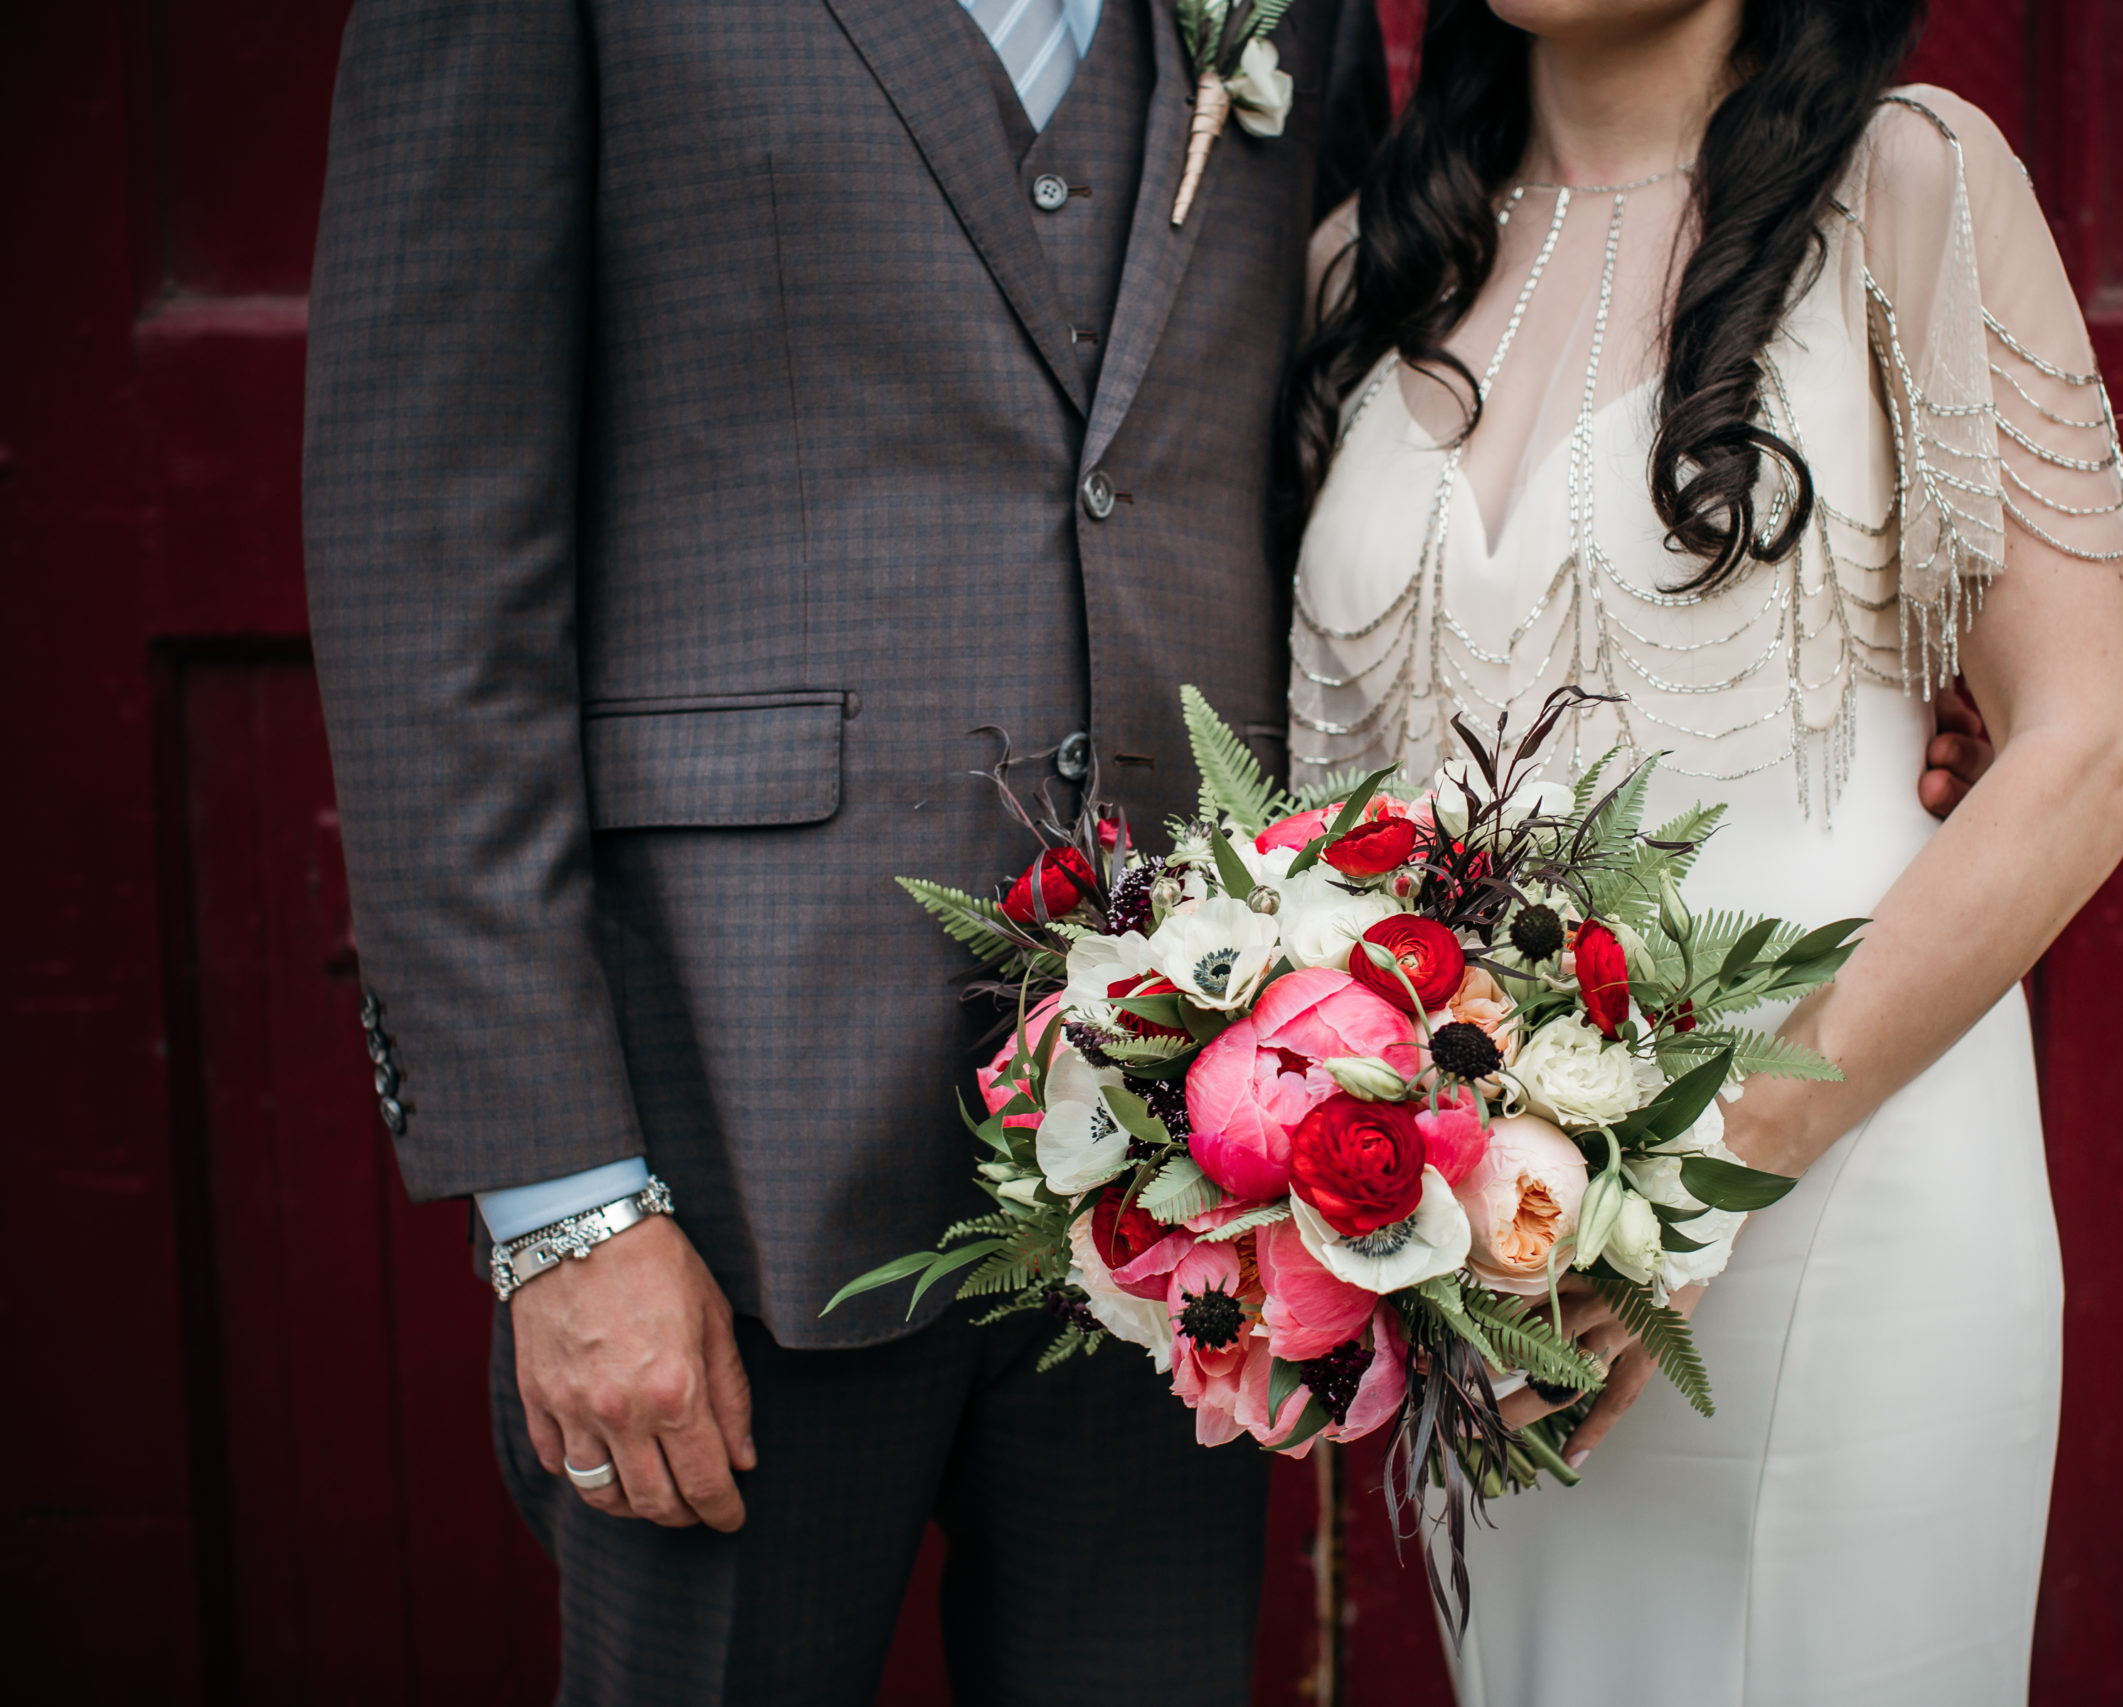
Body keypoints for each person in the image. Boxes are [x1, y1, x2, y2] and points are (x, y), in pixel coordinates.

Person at [301, 1, 1392, 1701]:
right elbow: (421, 558)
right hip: (726, 1146)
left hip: (1198, 1142)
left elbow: (1369, 412)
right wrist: (565, 1208)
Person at [1287, 1, 2123, 1702]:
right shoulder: (1363, 266)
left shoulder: (1909, 183)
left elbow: (2090, 749)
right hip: (1505, 1261)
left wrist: (1699, 1180)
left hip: (1853, 1203)